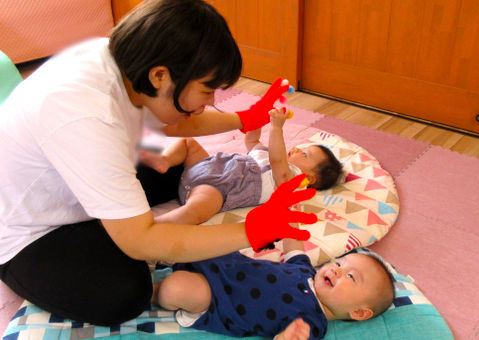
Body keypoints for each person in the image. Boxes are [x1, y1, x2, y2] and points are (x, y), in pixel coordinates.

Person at [0, 0, 318, 327]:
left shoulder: (119, 61)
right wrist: (252, 229)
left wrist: (244, 118)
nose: (211, 103)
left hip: (72, 180)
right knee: (125, 292)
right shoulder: (85, 115)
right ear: (159, 75)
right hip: (27, 232)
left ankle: (111, 226)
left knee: (180, 169)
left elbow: (172, 120)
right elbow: (141, 240)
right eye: (208, 91)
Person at [156, 237, 396, 339]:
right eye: (339, 263)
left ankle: (149, 290)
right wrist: (291, 219)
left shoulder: (311, 323)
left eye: (350, 276)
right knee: (189, 239)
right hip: (224, 261)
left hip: (217, 300)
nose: (336, 270)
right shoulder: (306, 271)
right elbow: (294, 246)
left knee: (174, 288)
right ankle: (150, 253)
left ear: (359, 312)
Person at [139, 107, 342, 224]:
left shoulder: (291, 181)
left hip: (216, 189)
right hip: (208, 165)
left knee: (199, 208)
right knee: (188, 143)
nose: (296, 151)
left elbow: (278, 161)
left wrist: (277, 127)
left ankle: (159, 224)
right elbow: (252, 141)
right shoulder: (266, 154)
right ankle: (164, 160)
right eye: (299, 148)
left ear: (311, 178)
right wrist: (259, 118)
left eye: (305, 155)